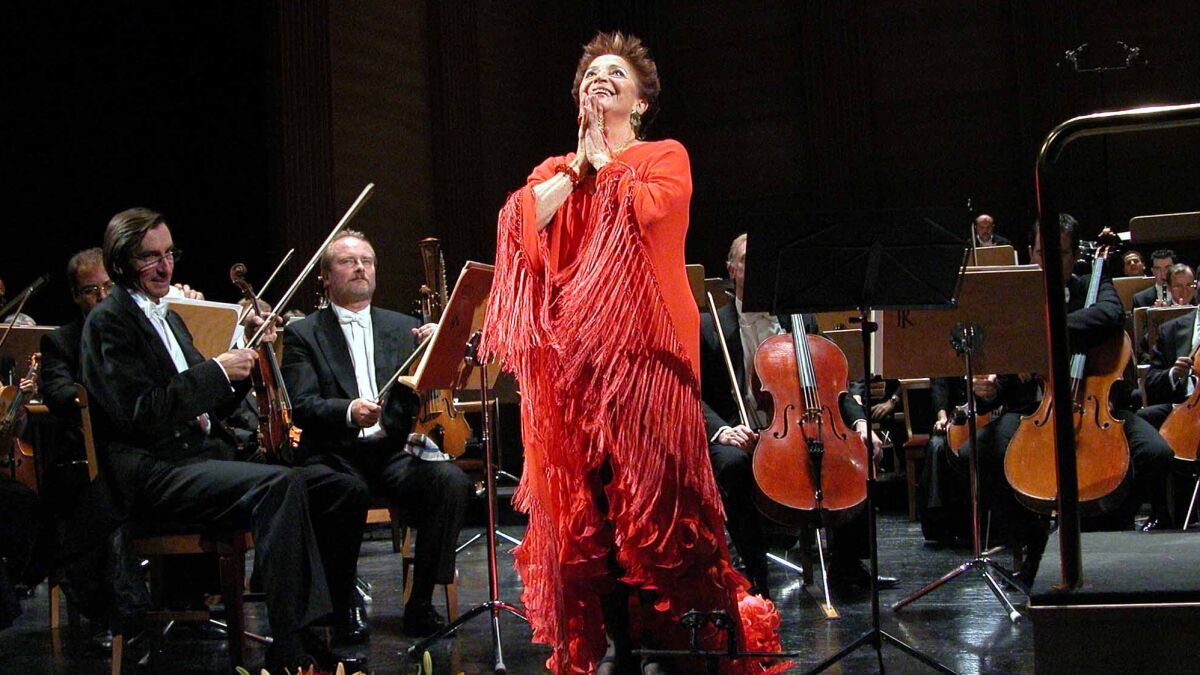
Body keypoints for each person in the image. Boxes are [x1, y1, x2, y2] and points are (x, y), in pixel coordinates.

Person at [481, 33, 786, 675]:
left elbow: (651, 213)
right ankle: (626, 647)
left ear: (641, 102)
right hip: (577, 368)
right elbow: (519, 225)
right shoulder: (557, 170)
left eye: (616, 73)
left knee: (663, 504)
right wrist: (579, 167)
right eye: (591, 73)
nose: (600, 78)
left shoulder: (664, 155)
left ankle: (686, 644)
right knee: (593, 513)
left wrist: (607, 162)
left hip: (649, 357)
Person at [79, 207, 370, 671]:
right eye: (150, 257)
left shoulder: (171, 320)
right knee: (279, 485)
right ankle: (291, 647)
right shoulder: (109, 322)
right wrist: (217, 370)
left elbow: (211, 402)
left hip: (199, 459)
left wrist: (247, 359)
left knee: (339, 487)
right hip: (153, 471)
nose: (164, 267)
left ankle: (324, 624)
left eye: (169, 254)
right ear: (120, 263)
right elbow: (139, 413)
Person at [281, 228, 471, 639]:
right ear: (325, 277)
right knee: (346, 490)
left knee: (450, 482)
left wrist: (438, 349)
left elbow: (431, 391)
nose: (360, 268)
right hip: (333, 455)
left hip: (389, 454)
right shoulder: (303, 333)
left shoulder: (404, 327)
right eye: (347, 261)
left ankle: (421, 601)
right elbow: (303, 405)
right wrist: (349, 411)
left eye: (366, 261)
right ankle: (343, 601)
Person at [970, 215, 1175, 585]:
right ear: (1029, 251)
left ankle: (1108, 532)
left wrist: (1041, 337)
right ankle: (1031, 544)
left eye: (1060, 254)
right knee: (980, 451)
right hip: (1035, 411)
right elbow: (998, 379)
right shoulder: (1014, 298)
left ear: (1074, 256)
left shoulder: (1091, 287)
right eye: (1040, 252)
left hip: (1097, 405)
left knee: (1156, 453)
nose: (1048, 262)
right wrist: (989, 390)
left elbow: (1110, 316)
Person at [700, 234, 896, 596]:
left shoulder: (800, 320)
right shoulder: (708, 326)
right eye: (747, 260)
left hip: (800, 427)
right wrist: (722, 430)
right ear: (731, 270)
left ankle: (847, 565)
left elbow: (835, 385)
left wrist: (860, 422)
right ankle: (755, 575)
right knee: (732, 465)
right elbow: (694, 395)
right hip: (741, 432)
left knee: (856, 451)